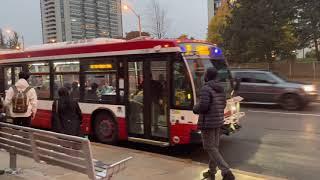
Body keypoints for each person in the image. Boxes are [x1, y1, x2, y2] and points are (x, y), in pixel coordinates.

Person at [193, 67, 235, 180]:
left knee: (209, 147)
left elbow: (203, 106)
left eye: (205, 74)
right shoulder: (221, 88)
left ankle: (226, 172)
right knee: (214, 147)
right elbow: (224, 104)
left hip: (208, 123)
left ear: (207, 76)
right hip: (218, 122)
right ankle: (211, 172)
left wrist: (195, 108)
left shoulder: (206, 89)